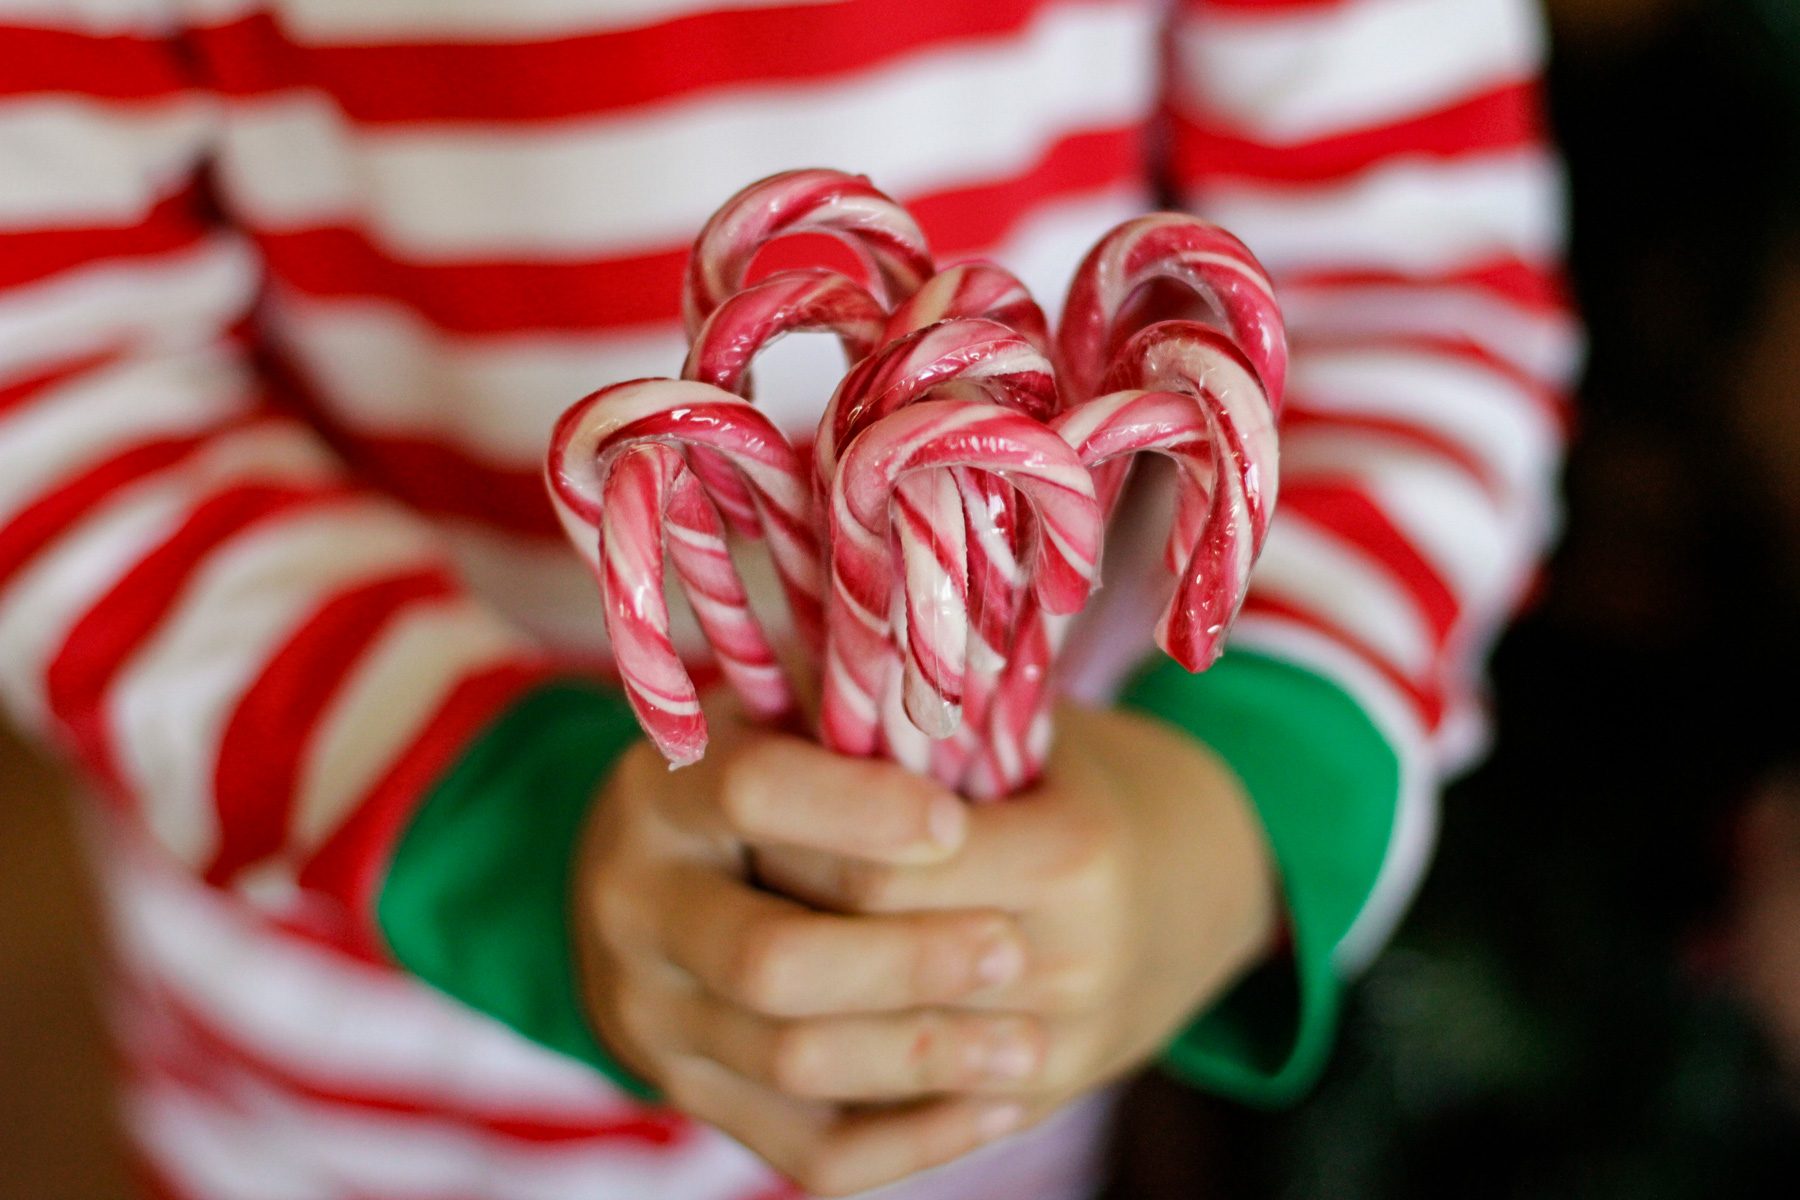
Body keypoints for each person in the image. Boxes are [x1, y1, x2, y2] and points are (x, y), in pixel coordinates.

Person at [0, 0, 1575, 1196]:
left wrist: (1231, 798)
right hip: (354, 1087)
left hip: (989, 1039)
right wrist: (497, 823)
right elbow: (51, 374)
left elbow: (1411, 302)